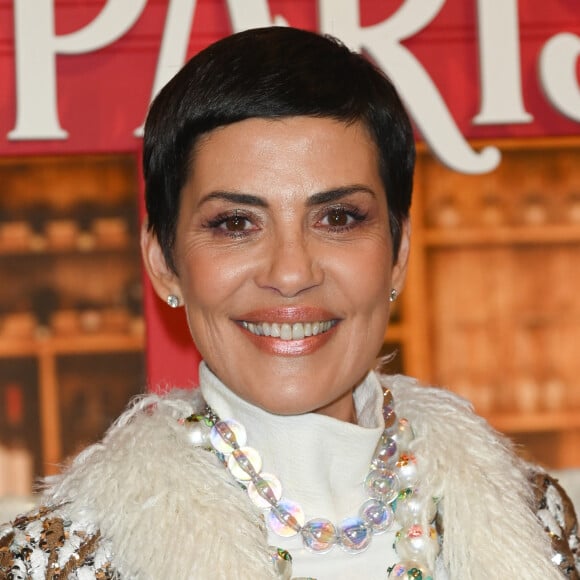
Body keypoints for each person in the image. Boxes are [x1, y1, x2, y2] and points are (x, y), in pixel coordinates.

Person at [1, 26, 578, 580]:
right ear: (163, 262)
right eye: (235, 223)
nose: (291, 272)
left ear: (398, 251)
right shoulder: (57, 563)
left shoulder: (533, 520)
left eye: (337, 217)